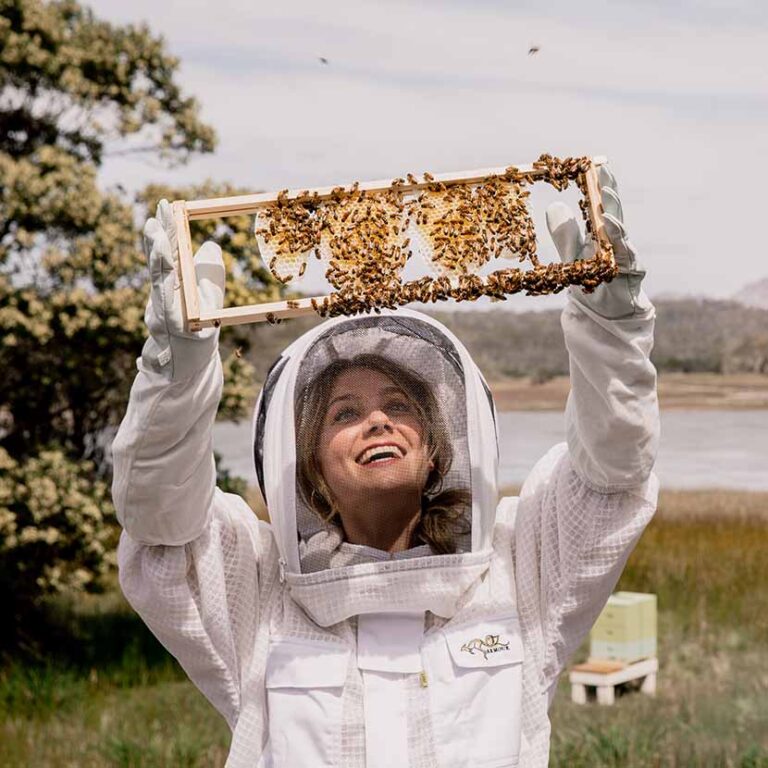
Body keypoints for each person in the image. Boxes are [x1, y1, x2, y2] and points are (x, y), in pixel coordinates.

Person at [112, 166, 659, 768]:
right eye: (344, 412)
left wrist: (611, 329)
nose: (376, 421)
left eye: (398, 405)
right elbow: (161, 524)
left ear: (435, 447)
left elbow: (612, 474)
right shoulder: (261, 588)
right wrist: (176, 373)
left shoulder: (517, 567)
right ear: (311, 464)